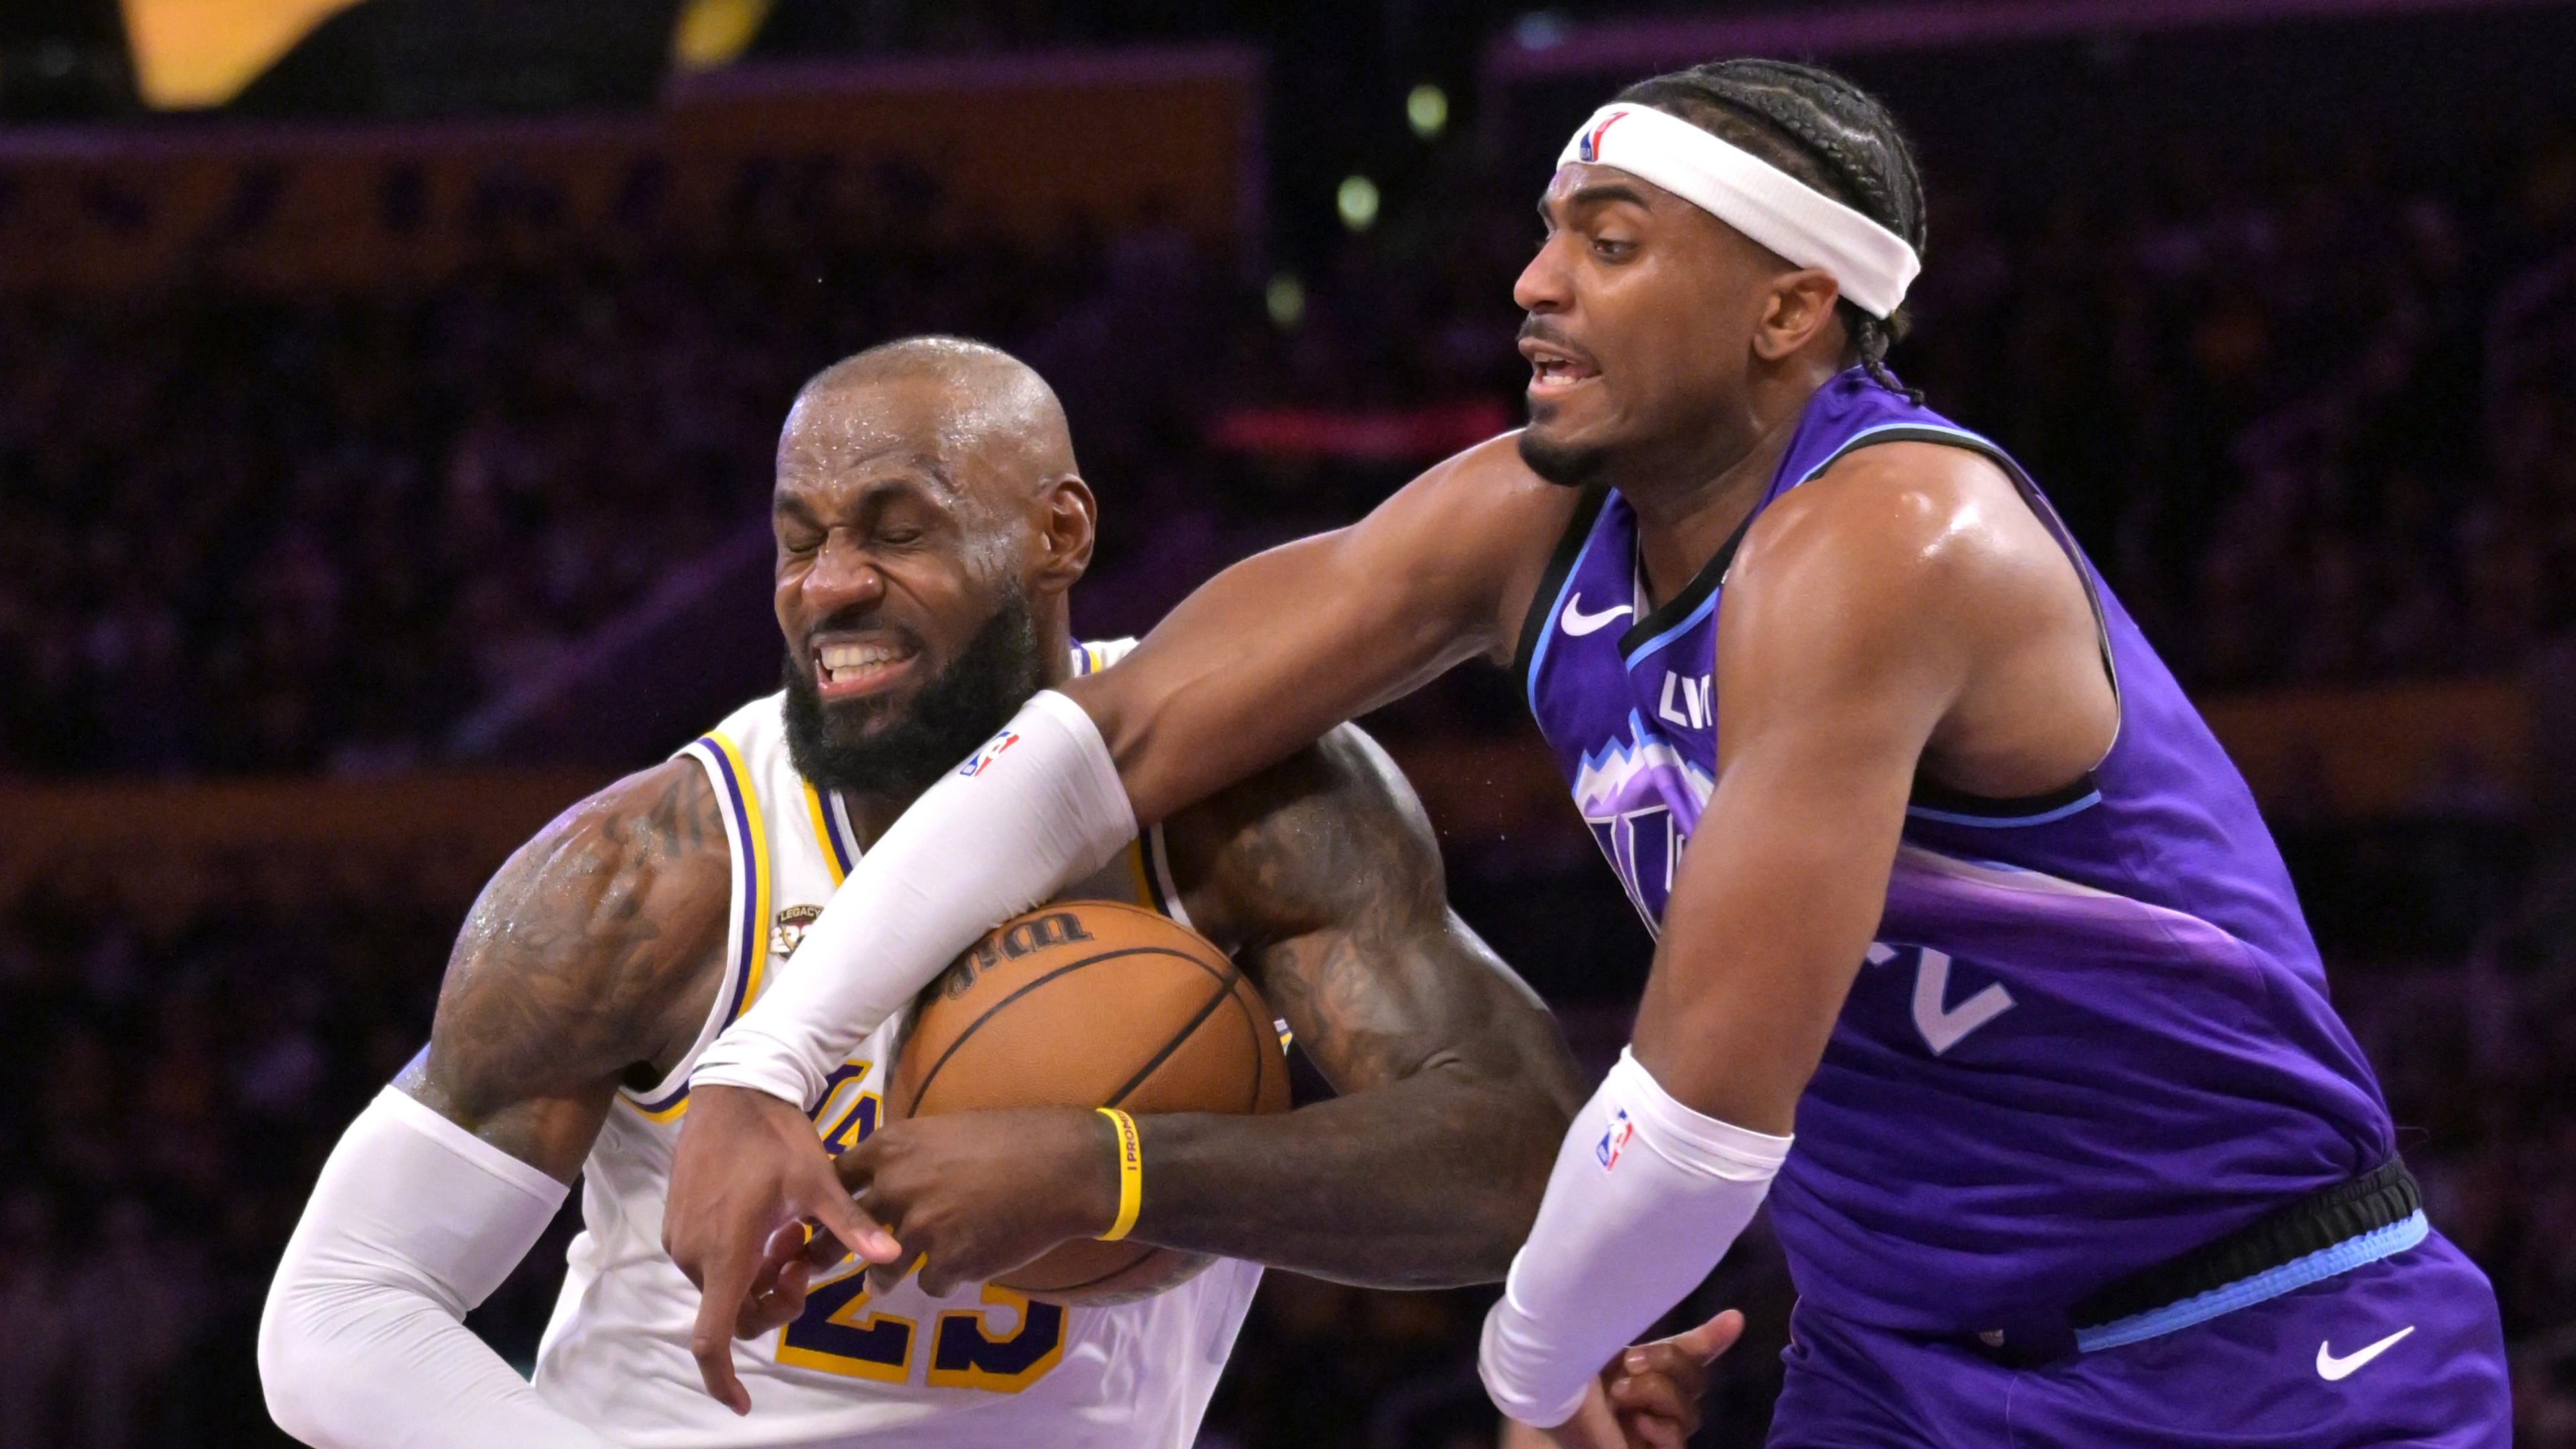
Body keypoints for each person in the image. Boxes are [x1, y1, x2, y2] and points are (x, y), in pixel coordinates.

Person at [665, 60, 2515, 1448]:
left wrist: (1532, 1367)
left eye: (1611, 246)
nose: (1538, 283)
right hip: (1897, 1357)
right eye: (1548, 235)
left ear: (1792, 307)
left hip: (2254, 1336)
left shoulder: (1895, 542)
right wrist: (775, 1053)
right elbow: (1110, 737)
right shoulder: (1527, 523)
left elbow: (1698, 1120)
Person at [258, 338, 1727, 1449]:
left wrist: (1109, 1168)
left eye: (895, 528)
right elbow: (338, 1312)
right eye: (799, 537)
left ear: (1059, 536)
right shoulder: (655, 874)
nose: (829, 584)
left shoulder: (1248, 803)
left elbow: (1527, 1153)